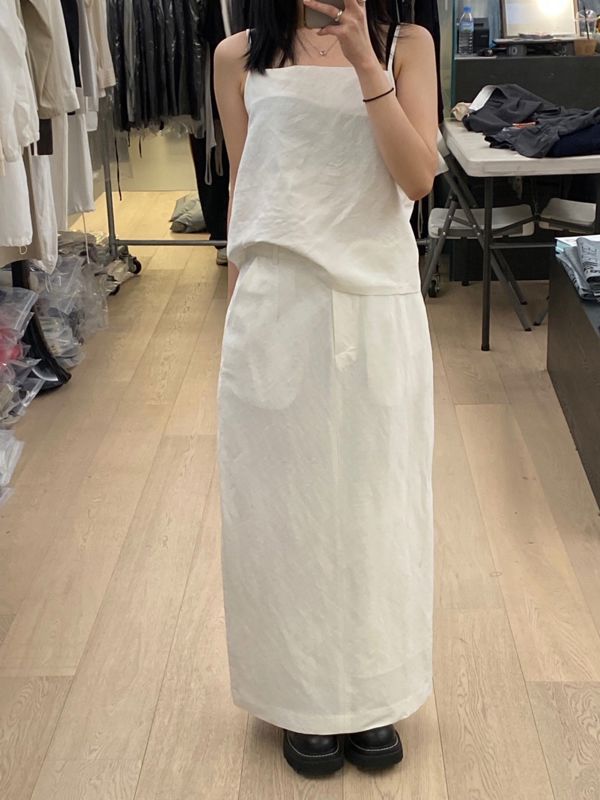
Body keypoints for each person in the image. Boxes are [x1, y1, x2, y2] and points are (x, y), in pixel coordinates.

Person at [215, 0, 438, 777]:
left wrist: (366, 63)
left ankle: (374, 692)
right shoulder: (238, 55)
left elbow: (417, 178)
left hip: (377, 304)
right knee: (282, 515)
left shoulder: (407, 45)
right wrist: (234, 318)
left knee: (380, 509)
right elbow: (245, 186)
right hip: (277, 304)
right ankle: (299, 695)